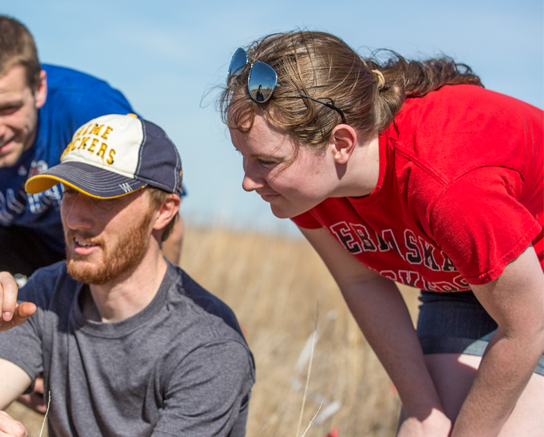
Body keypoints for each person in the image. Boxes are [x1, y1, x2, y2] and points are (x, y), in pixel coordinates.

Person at [222, 30, 544, 436]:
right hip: (464, 278)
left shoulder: (446, 185)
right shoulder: (309, 187)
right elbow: (360, 280)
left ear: (340, 143)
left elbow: (528, 326)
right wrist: (422, 410)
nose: (249, 181)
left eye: (266, 160)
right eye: (243, 156)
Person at [0, 14, 185, 436]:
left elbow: (164, 223)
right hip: (18, 239)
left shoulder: (91, 109)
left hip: (100, 240)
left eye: (8, 108)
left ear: (38, 88)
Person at [0, 113, 255, 437]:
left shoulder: (209, 345)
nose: (75, 219)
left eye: (103, 195)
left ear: (164, 210)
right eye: (69, 192)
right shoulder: (48, 293)